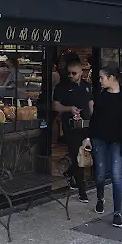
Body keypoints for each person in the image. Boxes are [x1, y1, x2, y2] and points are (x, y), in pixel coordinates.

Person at [88, 64, 122, 228]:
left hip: (117, 141)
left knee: (116, 176)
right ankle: (100, 197)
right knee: (100, 174)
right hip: (99, 139)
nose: (100, 81)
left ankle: (117, 213)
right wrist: (88, 138)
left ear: (111, 78)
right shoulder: (101, 96)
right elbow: (94, 119)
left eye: (102, 78)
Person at [52, 60, 93, 203]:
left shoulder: (87, 86)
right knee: (77, 155)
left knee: (87, 153)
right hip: (71, 126)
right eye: (68, 73)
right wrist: (69, 109)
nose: (71, 75)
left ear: (81, 73)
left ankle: (69, 173)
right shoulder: (61, 87)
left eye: (74, 73)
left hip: (87, 125)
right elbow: (56, 106)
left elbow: (91, 104)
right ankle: (82, 190)